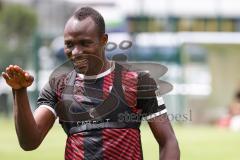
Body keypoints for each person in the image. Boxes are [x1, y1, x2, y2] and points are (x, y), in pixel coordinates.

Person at [2, 7, 180, 160]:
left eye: (85, 43)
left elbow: (168, 141)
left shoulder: (139, 81)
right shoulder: (58, 86)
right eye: (69, 44)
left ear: (104, 40)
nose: (76, 52)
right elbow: (29, 142)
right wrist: (20, 91)